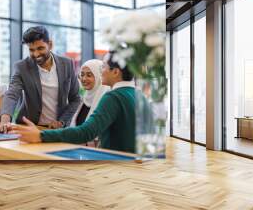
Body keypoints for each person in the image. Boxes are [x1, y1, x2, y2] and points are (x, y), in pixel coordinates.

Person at [9, 50, 152, 153]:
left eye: (104, 67)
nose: (101, 71)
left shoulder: (113, 97)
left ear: (116, 72)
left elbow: (86, 132)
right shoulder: (140, 96)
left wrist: (41, 135)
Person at [0, 26, 81, 132]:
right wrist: (5, 120)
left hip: (56, 130)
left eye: (40, 48)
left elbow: (75, 99)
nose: (36, 54)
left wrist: (62, 122)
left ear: (50, 45)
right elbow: (12, 94)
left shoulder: (67, 64)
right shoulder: (22, 67)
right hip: (29, 127)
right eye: (31, 50)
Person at [70, 59, 110, 146]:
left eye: (89, 75)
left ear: (99, 76)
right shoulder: (83, 100)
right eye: (82, 74)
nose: (84, 79)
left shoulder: (106, 99)